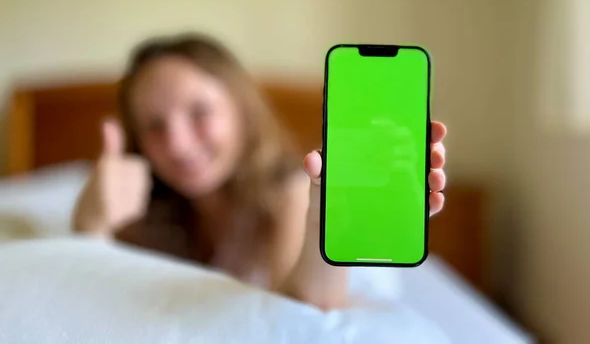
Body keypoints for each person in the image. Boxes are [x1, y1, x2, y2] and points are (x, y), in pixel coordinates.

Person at [72, 33, 447, 310]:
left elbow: (304, 311)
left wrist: (325, 217)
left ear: (242, 109)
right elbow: (102, 301)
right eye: (154, 125)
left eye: (200, 113)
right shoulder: (148, 209)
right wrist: (89, 225)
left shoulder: (289, 192)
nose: (178, 145)